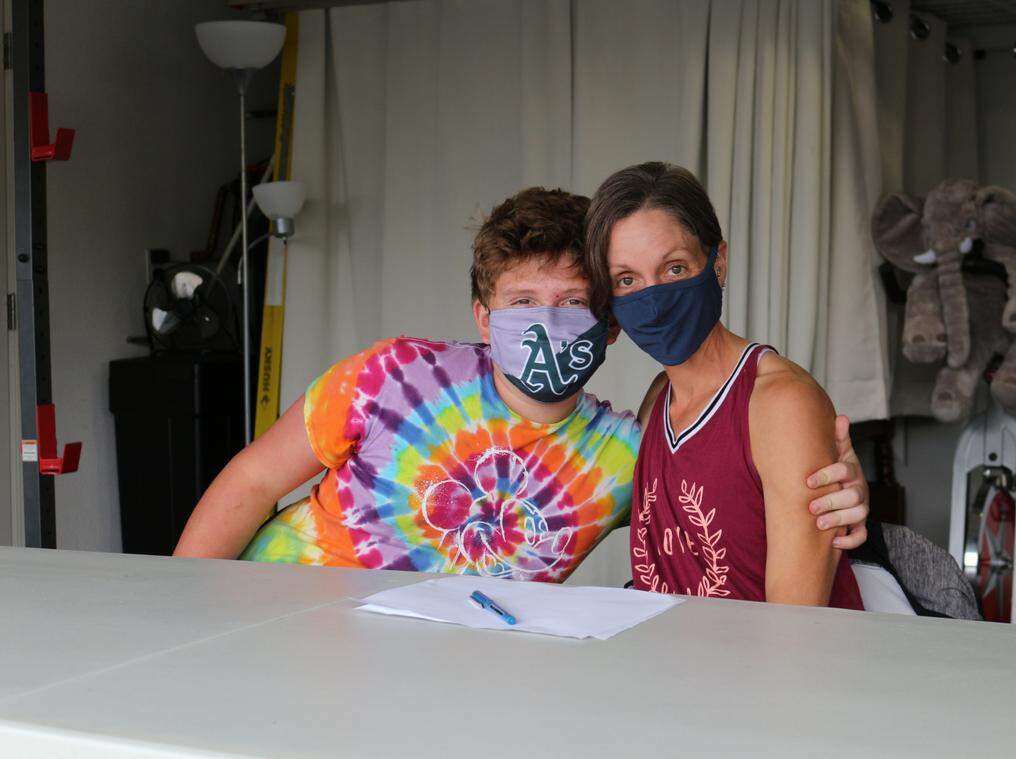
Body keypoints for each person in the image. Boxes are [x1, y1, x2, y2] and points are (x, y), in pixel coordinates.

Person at [174, 187, 869, 583]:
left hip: (442, 687)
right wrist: (182, 609)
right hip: (274, 616)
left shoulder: (629, 451)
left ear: (612, 324)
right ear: (482, 314)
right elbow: (253, 480)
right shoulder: (390, 374)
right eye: (522, 300)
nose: (548, 321)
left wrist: (838, 485)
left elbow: (732, 483)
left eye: (573, 300)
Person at [585, 162, 863, 607]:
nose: (653, 299)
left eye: (674, 268)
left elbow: (796, 628)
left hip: (769, 673)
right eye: (627, 279)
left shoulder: (780, 403)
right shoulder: (657, 401)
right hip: (667, 669)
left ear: (718, 262)